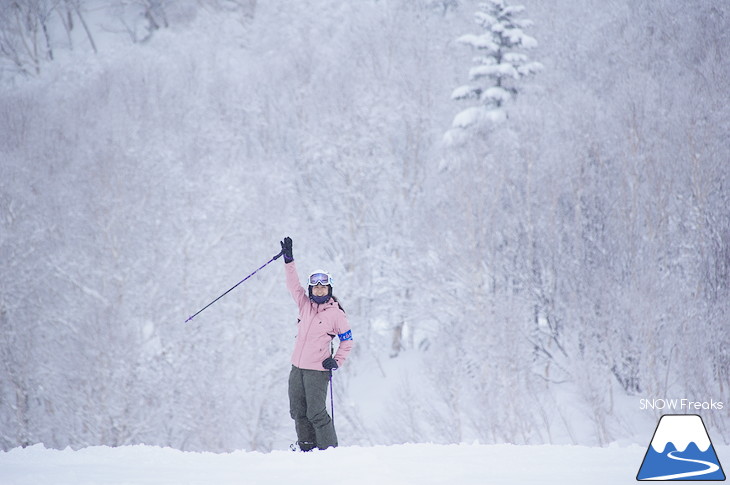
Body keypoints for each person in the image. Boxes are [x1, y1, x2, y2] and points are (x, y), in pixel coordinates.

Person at [280, 237, 353, 451]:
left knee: (316, 413)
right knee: (297, 410)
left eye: (323, 288)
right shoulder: (305, 305)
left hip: (317, 371)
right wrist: (288, 260)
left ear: (329, 289)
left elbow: (347, 341)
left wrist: (336, 361)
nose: (319, 291)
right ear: (311, 290)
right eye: (316, 288)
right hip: (297, 367)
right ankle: (306, 447)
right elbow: (293, 284)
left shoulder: (336, 314)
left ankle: (328, 450)